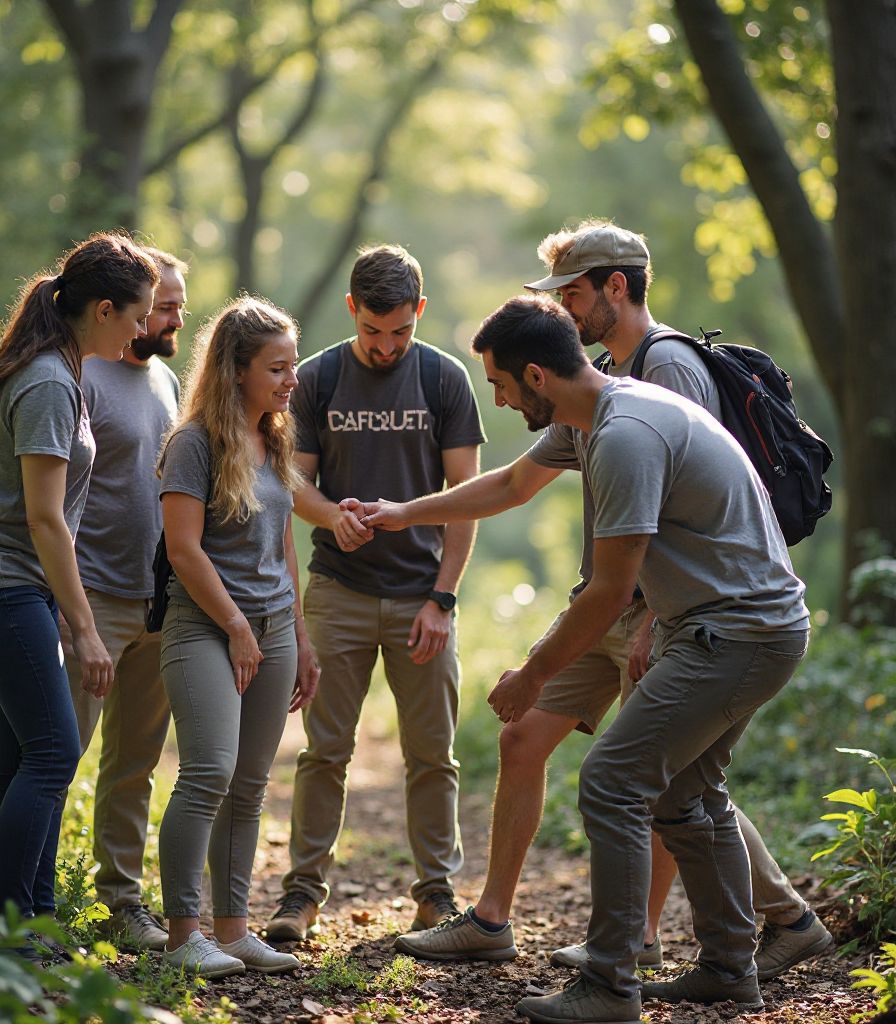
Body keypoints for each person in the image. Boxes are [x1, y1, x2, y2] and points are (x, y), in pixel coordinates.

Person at [373, 222, 829, 982]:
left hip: (717, 627)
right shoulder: (595, 408)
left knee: (618, 779)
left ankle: (616, 971)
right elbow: (512, 484)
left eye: (500, 385)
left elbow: (622, 579)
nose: (496, 399)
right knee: (686, 788)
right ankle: (729, 963)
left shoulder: (645, 402)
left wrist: (535, 670)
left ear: (537, 377)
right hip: (713, 622)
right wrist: (402, 512)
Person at [0, 234, 159, 959]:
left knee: (22, 756)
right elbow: (44, 519)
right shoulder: (48, 385)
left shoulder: (58, 370)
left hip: (2, 585)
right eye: (136, 317)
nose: (143, 330)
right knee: (55, 754)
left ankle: (28, 919)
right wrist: (86, 628)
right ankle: (15, 939)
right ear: (102, 310)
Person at [264, 244, 487, 943]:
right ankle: (300, 895)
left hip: (421, 593)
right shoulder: (320, 378)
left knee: (433, 754)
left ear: (418, 313)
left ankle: (437, 895)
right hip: (340, 591)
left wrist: (442, 600)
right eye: (373, 332)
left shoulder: (445, 380)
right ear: (352, 311)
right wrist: (331, 516)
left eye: (401, 332)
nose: (387, 347)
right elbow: (291, 482)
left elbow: (465, 499)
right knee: (324, 751)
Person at [157, 295, 319, 977]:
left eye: (293, 365)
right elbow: (184, 550)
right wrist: (235, 628)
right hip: (204, 627)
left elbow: (283, 540)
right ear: (237, 370)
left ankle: (233, 929)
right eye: (277, 368)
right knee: (208, 774)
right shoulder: (193, 443)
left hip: (276, 628)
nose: (291, 380)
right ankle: (182, 935)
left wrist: (299, 636)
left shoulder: (274, 435)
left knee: (250, 785)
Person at [60, 247, 188, 950]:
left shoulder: (168, 379)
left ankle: (121, 901)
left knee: (134, 763)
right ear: (128, 308)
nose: (173, 318)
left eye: (175, 306)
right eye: (163, 306)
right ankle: (30, 901)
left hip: (159, 605)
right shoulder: (81, 375)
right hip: (93, 601)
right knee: (58, 752)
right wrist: (67, 608)